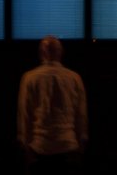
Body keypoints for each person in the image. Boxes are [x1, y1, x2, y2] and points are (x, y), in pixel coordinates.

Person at [18, 36, 88, 174]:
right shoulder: (74, 78)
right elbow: (82, 115)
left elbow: (24, 115)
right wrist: (81, 145)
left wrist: (25, 147)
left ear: (41, 53)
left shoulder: (29, 78)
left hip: (39, 149)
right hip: (69, 148)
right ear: (61, 53)